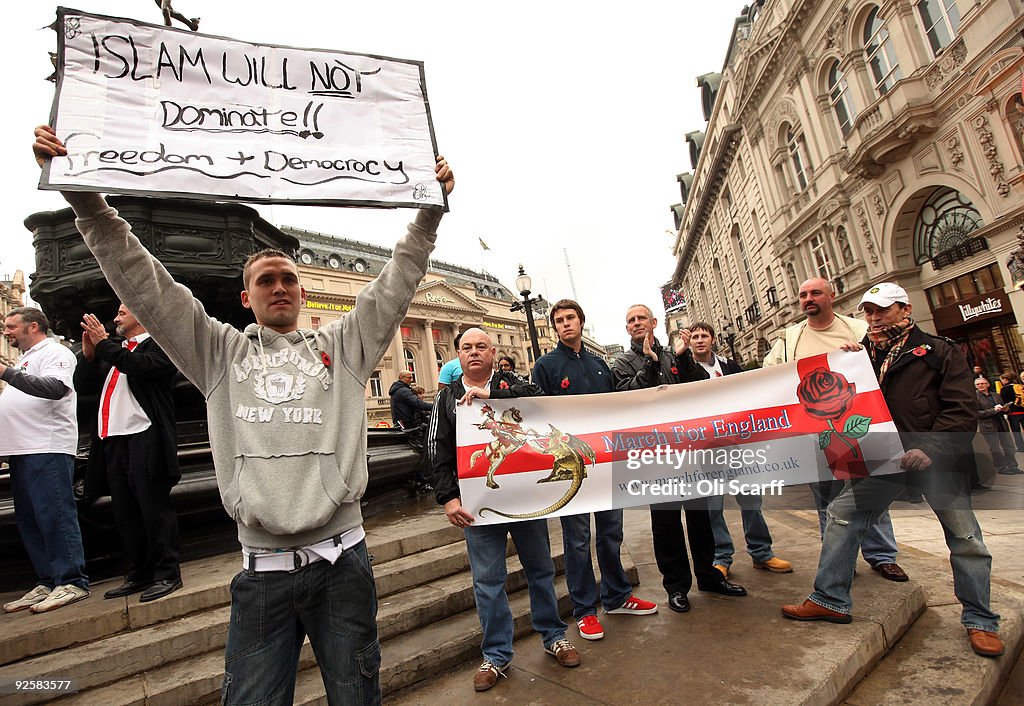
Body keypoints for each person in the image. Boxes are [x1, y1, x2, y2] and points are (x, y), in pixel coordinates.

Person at [34, 124, 454, 704]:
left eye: (289, 280)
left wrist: (428, 216)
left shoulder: (344, 348)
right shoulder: (218, 353)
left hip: (343, 565)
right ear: (245, 297)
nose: (279, 287)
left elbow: (396, 281)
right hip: (262, 574)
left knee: (358, 696)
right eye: (265, 281)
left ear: (303, 293)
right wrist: (83, 199)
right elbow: (147, 281)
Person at [782, 282, 1004, 658]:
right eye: (868, 312)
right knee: (841, 515)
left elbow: (961, 413)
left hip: (937, 462)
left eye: (882, 311)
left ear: (905, 310)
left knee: (966, 539)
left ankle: (980, 620)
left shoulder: (939, 351)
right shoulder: (862, 356)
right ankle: (830, 598)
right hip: (887, 461)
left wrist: (928, 449)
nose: (873, 318)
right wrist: (846, 362)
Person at [428, 327, 580, 692]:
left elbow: (541, 402)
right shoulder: (447, 399)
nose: (475, 353)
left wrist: (494, 394)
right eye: (467, 348)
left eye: (482, 346)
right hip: (479, 508)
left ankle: (553, 635)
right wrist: (448, 498)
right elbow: (437, 451)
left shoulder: (514, 384)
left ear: (493, 352)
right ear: (458, 355)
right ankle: (496, 654)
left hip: (525, 501)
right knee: (488, 582)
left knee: (541, 570)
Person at [763, 277, 907, 583]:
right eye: (803, 295)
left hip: (862, 430)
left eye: (815, 292)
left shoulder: (859, 330)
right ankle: (840, 557)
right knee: (826, 500)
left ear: (832, 295)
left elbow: (885, 364)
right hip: (815, 436)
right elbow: (769, 375)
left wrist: (862, 354)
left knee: (871, 495)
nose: (808, 299)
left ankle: (882, 555)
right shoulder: (789, 339)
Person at [532, 299, 658, 640]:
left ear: (581, 322)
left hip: (606, 464)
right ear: (555, 327)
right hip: (574, 468)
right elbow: (538, 417)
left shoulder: (601, 364)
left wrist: (648, 365)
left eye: (570, 318)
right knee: (577, 541)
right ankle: (585, 610)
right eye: (559, 320)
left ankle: (617, 596)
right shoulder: (545, 366)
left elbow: (618, 405)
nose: (565, 324)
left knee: (611, 533)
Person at [610, 306, 747, 613]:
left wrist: (684, 356)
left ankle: (709, 576)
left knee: (701, 519)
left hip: (689, 453)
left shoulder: (674, 355)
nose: (636, 323)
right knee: (666, 524)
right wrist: (649, 363)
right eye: (630, 320)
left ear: (653, 323)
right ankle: (676, 586)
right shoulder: (622, 362)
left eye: (641, 318)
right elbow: (626, 398)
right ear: (626, 328)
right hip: (655, 457)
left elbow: (699, 384)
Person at [75, 304, 183, 602]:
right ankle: (139, 573)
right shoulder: (115, 350)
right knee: (125, 513)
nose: (116, 318)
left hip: (145, 437)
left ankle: (167, 574)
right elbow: (82, 386)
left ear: (143, 315)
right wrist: (89, 354)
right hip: (113, 440)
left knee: (153, 509)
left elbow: (141, 368)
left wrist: (104, 345)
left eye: (123, 312)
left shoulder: (160, 345)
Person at [683, 321, 792, 578]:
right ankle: (722, 557)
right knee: (713, 506)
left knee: (752, 500)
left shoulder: (731, 367)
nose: (699, 340)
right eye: (695, 336)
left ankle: (761, 552)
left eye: (704, 335)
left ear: (712, 339)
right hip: (706, 449)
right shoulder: (685, 371)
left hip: (738, 446)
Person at [1, 307, 90, 614]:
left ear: (34, 326)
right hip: (22, 450)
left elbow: (54, 389)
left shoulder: (55, 352)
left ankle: (72, 580)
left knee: (54, 515)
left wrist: (6, 373)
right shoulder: (25, 359)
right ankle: (48, 580)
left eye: (11, 326)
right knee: (30, 519)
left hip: (47, 447)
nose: (6, 331)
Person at [976, 377, 1022, 476]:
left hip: (1001, 424)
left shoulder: (995, 395)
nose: (980, 385)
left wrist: (1005, 409)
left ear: (988, 384)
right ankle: (1001, 467)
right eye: (978, 384)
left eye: (982, 383)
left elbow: (1003, 406)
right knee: (995, 448)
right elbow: (977, 413)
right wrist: (993, 410)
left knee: (1009, 446)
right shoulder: (975, 397)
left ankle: (1013, 466)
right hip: (988, 426)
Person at [999, 371, 1024, 451]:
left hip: (1013, 413)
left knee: (1016, 431)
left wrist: (1004, 412)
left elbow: (1003, 401)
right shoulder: (1020, 386)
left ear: (1006, 380)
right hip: (1023, 411)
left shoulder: (1004, 389)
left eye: (1001, 380)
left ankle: (1020, 447)